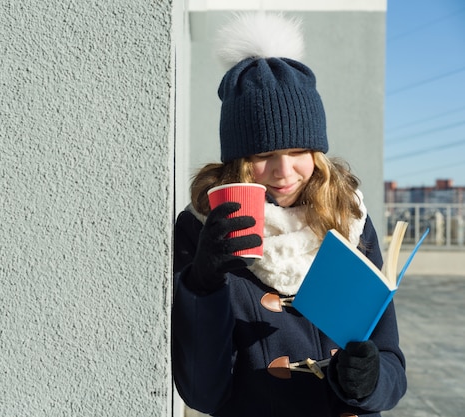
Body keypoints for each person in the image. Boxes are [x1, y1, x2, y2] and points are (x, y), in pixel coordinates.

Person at [171, 13, 406, 417]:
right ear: (239, 161)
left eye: (299, 151)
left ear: (317, 152)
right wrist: (202, 286)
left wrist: (371, 381)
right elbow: (202, 394)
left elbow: (391, 361)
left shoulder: (349, 219)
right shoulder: (205, 227)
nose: (284, 171)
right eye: (263, 155)